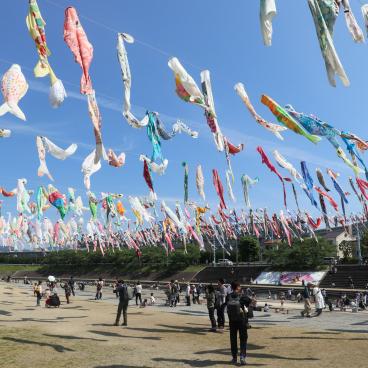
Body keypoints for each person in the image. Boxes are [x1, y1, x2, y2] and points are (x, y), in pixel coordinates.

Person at [227, 281, 249, 366]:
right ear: (238, 287)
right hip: (242, 321)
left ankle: (234, 358)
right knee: (243, 339)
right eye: (240, 286)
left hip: (232, 321)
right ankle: (242, 357)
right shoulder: (242, 297)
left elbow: (226, 306)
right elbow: (250, 303)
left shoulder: (228, 296)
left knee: (233, 339)